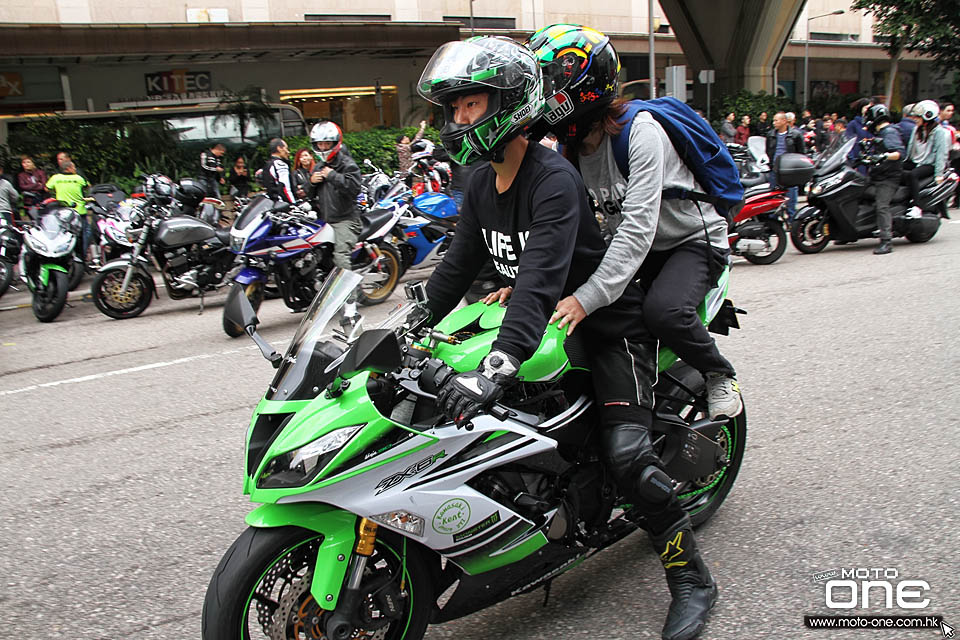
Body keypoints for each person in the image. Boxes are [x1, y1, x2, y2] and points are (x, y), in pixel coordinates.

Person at [419, 37, 713, 640]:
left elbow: (542, 274)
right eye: (453, 110)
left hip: (606, 324)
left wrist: (500, 362)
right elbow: (457, 266)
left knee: (631, 457)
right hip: (549, 324)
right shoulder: (479, 183)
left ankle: (692, 580)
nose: (459, 120)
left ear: (507, 103)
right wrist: (409, 320)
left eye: (470, 105)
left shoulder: (551, 177)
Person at [527, 25, 722, 640]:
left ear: (590, 80)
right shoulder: (560, 154)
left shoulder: (641, 133)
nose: (549, 90)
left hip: (684, 245)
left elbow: (636, 232)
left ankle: (692, 578)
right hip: (625, 270)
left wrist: (584, 299)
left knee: (664, 325)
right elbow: (563, 235)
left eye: (558, 78)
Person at [307, 120, 362, 275]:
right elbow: (308, 194)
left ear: (335, 143)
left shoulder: (347, 164)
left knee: (341, 258)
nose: (323, 147)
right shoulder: (318, 167)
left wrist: (332, 175)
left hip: (345, 220)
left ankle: (351, 297)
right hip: (324, 220)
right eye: (320, 144)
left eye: (327, 143)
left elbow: (354, 189)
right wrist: (311, 183)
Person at [861, 104, 904, 255]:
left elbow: (899, 153)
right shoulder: (880, 134)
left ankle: (886, 241)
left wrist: (884, 156)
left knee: (882, 205)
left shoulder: (890, 132)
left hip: (888, 178)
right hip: (876, 175)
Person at [904, 99, 951, 217]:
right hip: (915, 161)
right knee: (895, 170)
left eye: (917, 117)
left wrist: (939, 174)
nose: (914, 119)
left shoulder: (939, 132)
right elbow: (911, 151)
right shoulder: (916, 129)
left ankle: (917, 207)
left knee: (913, 174)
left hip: (929, 163)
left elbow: (941, 154)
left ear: (927, 116)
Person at [765, 112, 805, 222]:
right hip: (775, 169)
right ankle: (774, 221)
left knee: (791, 196)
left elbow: (801, 152)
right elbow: (768, 150)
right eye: (773, 120)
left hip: (789, 170)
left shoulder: (795, 135)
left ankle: (792, 221)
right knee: (774, 195)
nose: (774, 123)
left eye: (776, 120)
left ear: (784, 121)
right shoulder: (771, 135)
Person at [46, 160, 91, 252]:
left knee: (62, 233)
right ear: (68, 169)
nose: (75, 169)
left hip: (63, 211)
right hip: (79, 211)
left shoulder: (55, 178)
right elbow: (87, 186)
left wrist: (56, 192)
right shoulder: (78, 178)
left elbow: (47, 188)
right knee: (85, 232)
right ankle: (83, 252)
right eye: (73, 167)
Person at [260, 138, 296, 204]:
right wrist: (293, 204)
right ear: (279, 148)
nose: (288, 152)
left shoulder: (267, 165)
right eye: (286, 148)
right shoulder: (280, 164)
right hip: (282, 204)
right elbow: (285, 188)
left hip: (271, 205)